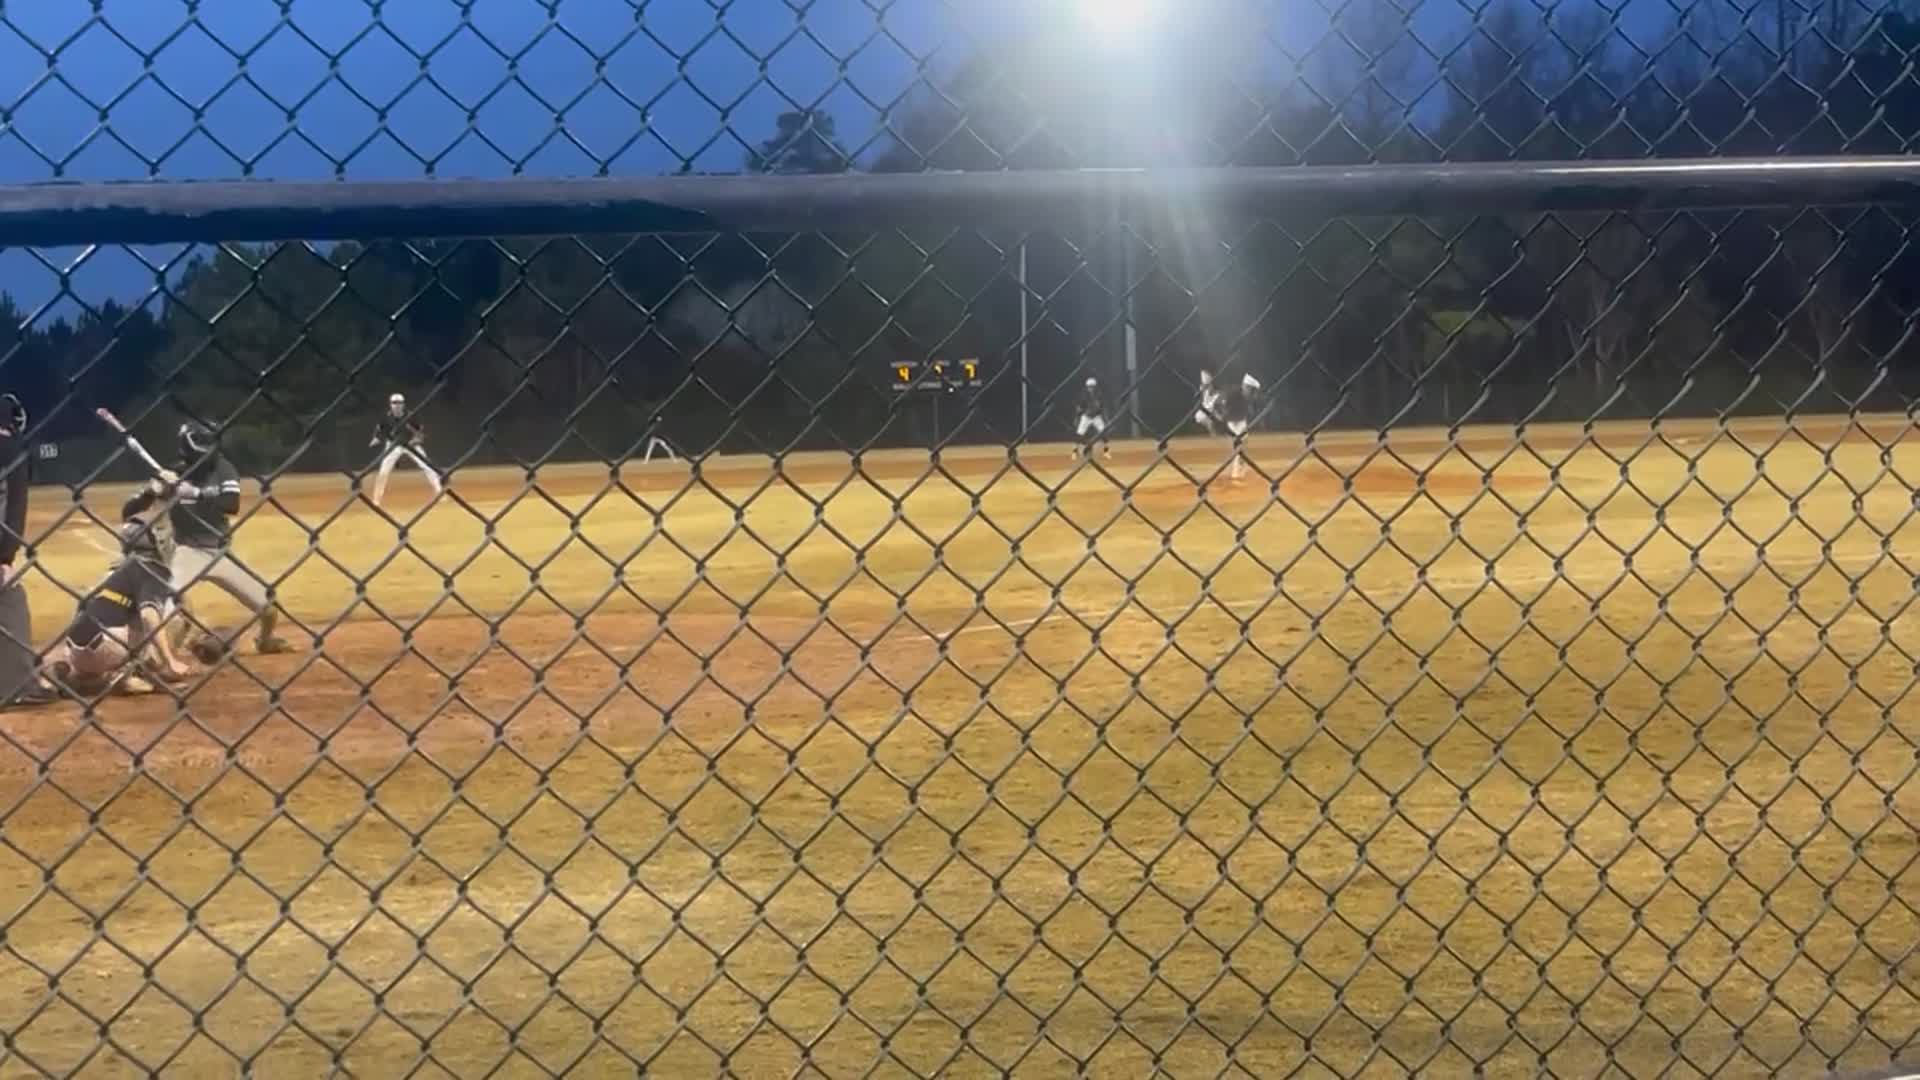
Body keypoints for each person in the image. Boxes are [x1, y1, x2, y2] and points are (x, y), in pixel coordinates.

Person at [123, 421, 294, 663]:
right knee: (170, 604)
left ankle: (265, 641)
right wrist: (152, 491)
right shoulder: (173, 474)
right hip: (186, 552)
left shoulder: (223, 468)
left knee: (268, 605)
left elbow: (231, 504)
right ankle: (155, 658)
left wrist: (196, 493)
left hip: (219, 553)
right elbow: (129, 511)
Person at [31, 506, 194, 699]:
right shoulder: (154, 569)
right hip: (107, 647)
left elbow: (82, 606)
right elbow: (149, 617)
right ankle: (134, 672)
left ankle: (69, 672)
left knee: (117, 611)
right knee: (168, 613)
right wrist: (170, 661)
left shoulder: (118, 567)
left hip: (76, 648)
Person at [0, 393, 52, 707]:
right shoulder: (11, 450)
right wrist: (5, 557)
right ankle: (18, 685)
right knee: (12, 602)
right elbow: (15, 507)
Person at [369, 393, 442, 508]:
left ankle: (439, 491)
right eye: (394, 403)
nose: (397, 405)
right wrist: (376, 439)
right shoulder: (386, 417)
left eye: (399, 403)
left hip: (410, 444)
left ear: (403, 404)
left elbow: (420, 432)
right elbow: (380, 430)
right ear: (390, 404)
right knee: (383, 472)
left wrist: (416, 440)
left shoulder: (411, 416)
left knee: (427, 466)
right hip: (393, 445)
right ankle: (376, 500)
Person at [1219, 373, 1263, 484]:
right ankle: (1236, 473)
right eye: (1252, 390)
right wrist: (1222, 418)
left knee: (1243, 445)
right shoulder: (1232, 393)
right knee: (1239, 446)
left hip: (1241, 422)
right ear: (1246, 386)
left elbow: (1248, 408)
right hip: (1232, 423)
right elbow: (1221, 404)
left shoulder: (1248, 396)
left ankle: (1240, 468)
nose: (1253, 393)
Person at [1072, 376, 1112, 462]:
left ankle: (1106, 451)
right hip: (1086, 417)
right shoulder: (1083, 395)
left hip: (1096, 417)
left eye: (1092, 386)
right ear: (1087, 387)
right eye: (1089, 386)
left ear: (1095, 386)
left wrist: (1106, 419)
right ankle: (1075, 451)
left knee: (1103, 432)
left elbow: (1103, 408)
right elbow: (1078, 408)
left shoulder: (1099, 395)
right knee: (1079, 433)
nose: (1091, 388)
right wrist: (1077, 417)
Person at [1194, 370, 1222, 435]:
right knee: (1209, 421)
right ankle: (1214, 436)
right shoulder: (1204, 392)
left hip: (1213, 414)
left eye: (1209, 386)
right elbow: (1203, 374)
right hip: (1202, 414)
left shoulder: (1218, 394)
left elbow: (1216, 409)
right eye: (1206, 386)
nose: (1208, 388)